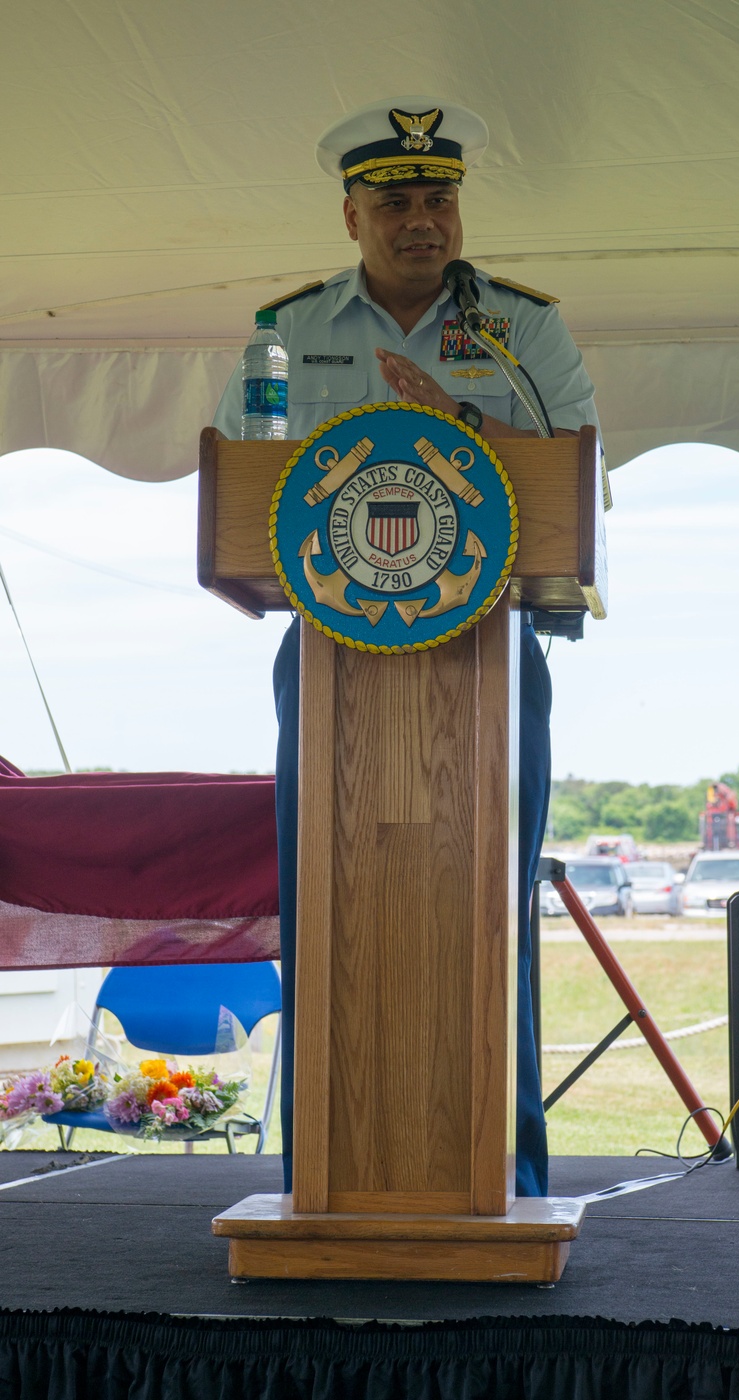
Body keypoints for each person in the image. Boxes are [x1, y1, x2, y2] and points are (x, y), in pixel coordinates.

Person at [214, 95, 601, 1197]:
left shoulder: (524, 328)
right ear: (351, 216)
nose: (420, 218)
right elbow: (249, 486)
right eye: (394, 201)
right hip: (332, 652)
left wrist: (461, 422)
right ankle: (322, 1176)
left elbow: (581, 474)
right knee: (321, 908)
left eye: (439, 197)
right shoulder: (286, 330)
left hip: (488, 653)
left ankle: (506, 1179)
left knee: (494, 910)